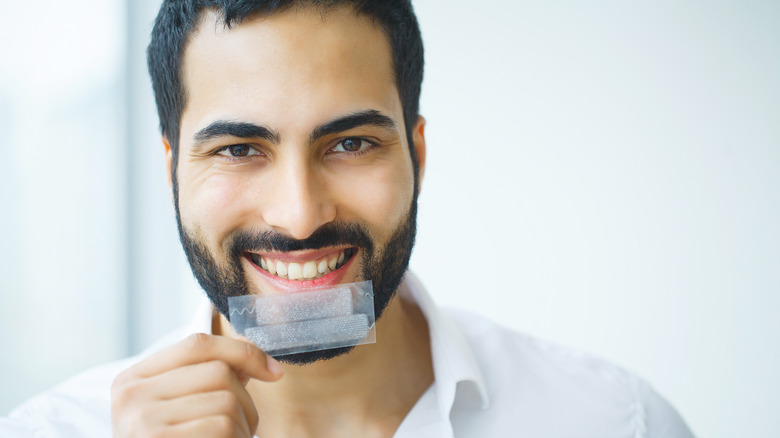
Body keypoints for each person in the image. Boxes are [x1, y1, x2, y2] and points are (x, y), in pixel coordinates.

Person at [0, 1, 695, 437]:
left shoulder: (618, 423)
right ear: (172, 168)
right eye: (240, 149)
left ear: (416, 153)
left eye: (350, 143)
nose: (299, 217)